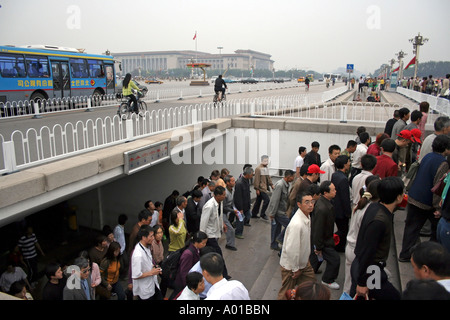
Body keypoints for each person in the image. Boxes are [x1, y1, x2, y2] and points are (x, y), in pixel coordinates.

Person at [350, 176, 405, 300]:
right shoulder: (379, 220)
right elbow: (368, 251)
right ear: (398, 197)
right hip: (370, 270)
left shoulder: (375, 207)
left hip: (365, 267)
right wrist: (363, 282)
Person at [399, 135, 450, 262]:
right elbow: (437, 186)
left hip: (414, 196)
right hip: (427, 202)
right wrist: (438, 207)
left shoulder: (428, 156)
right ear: (445, 149)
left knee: (411, 228)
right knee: (435, 231)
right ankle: (429, 257)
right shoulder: (442, 163)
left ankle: (405, 254)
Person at [343, 177, 380, 294]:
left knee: (348, 284)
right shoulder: (370, 211)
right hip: (358, 250)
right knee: (358, 287)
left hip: (350, 246)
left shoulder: (360, 205)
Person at [277, 191, 316, 300]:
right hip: (291, 266)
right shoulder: (297, 224)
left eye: (312, 201)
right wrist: (295, 269)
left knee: (311, 288)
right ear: (299, 204)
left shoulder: (307, 216)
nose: (310, 205)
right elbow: (291, 249)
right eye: (306, 202)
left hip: (303, 263)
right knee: (286, 294)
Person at [310, 181, 340, 290]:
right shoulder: (322, 208)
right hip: (323, 241)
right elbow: (318, 229)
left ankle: (308, 278)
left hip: (324, 239)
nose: (335, 191)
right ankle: (327, 279)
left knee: (316, 260)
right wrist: (318, 246)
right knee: (335, 259)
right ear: (325, 193)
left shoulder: (326, 203)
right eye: (333, 190)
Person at [200, 186, 230, 279]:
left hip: (215, 233)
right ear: (217, 195)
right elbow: (203, 222)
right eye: (223, 195)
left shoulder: (219, 202)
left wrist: (223, 224)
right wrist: (202, 238)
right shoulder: (209, 206)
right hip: (209, 235)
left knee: (212, 255)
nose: (225, 197)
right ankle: (223, 275)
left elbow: (219, 216)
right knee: (218, 254)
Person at [170, 231, 208, 299]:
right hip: (183, 283)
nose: (204, 245)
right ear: (196, 242)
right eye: (203, 243)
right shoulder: (188, 254)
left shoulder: (196, 249)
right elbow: (184, 272)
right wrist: (189, 286)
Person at [131, 225, 163, 300]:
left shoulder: (146, 247)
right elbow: (136, 275)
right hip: (145, 290)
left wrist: (155, 268)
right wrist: (152, 272)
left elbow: (147, 263)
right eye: (151, 236)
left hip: (152, 284)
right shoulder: (138, 255)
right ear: (143, 237)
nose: (153, 238)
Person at [268, 169, 295, 250]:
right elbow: (274, 200)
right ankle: (279, 239)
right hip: (278, 212)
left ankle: (274, 244)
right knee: (289, 226)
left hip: (281, 211)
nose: (293, 179)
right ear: (288, 177)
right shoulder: (280, 185)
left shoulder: (286, 184)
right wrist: (272, 213)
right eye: (292, 177)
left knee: (276, 228)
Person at [331, 155, 352, 252]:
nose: (349, 163)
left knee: (340, 229)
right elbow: (345, 198)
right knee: (343, 230)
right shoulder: (343, 179)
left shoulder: (335, 175)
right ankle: (338, 246)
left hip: (335, 207)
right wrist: (348, 212)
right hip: (341, 211)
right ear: (344, 164)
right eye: (348, 161)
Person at [234, 166, 254, 238]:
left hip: (246, 205)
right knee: (241, 219)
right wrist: (240, 208)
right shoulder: (240, 183)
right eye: (252, 174)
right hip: (241, 206)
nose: (252, 176)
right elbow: (238, 197)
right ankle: (238, 233)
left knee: (248, 215)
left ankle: (235, 223)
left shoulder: (247, 181)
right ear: (247, 174)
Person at [252, 155, 274, 220]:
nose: (266, 162)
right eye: (265, 161)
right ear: (261, 161)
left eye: (267, 161)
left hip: (264, 187)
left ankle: (254, 213)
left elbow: (268, 177)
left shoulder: (266, 168)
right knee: (267, 200)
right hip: (261, 188)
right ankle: (262, 214)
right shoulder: (258, 169)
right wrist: (257, 189)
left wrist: (271, 184)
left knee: (258, 201)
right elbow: (257, 179)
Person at [222, 174, 237, 250]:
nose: (234, 182)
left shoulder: (232, 190)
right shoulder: (225, 193)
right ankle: (230, 244)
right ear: (227, 183)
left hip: (228, 211)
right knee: (230, 229)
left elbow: (232, 202)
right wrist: (233, 211)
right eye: (232, 181)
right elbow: (223, 207)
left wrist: (235, 209)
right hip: (222, 213)